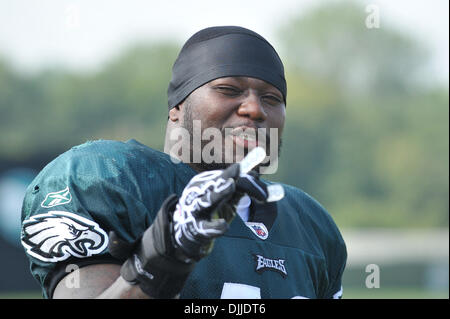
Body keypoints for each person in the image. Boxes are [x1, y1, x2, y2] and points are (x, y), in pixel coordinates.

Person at [21, 26, 347, 299]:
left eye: (272, 98)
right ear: (177, 107)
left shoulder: (311, 224)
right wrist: (164, 257)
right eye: (229, 89)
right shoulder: (111, 181)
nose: (255, 109)